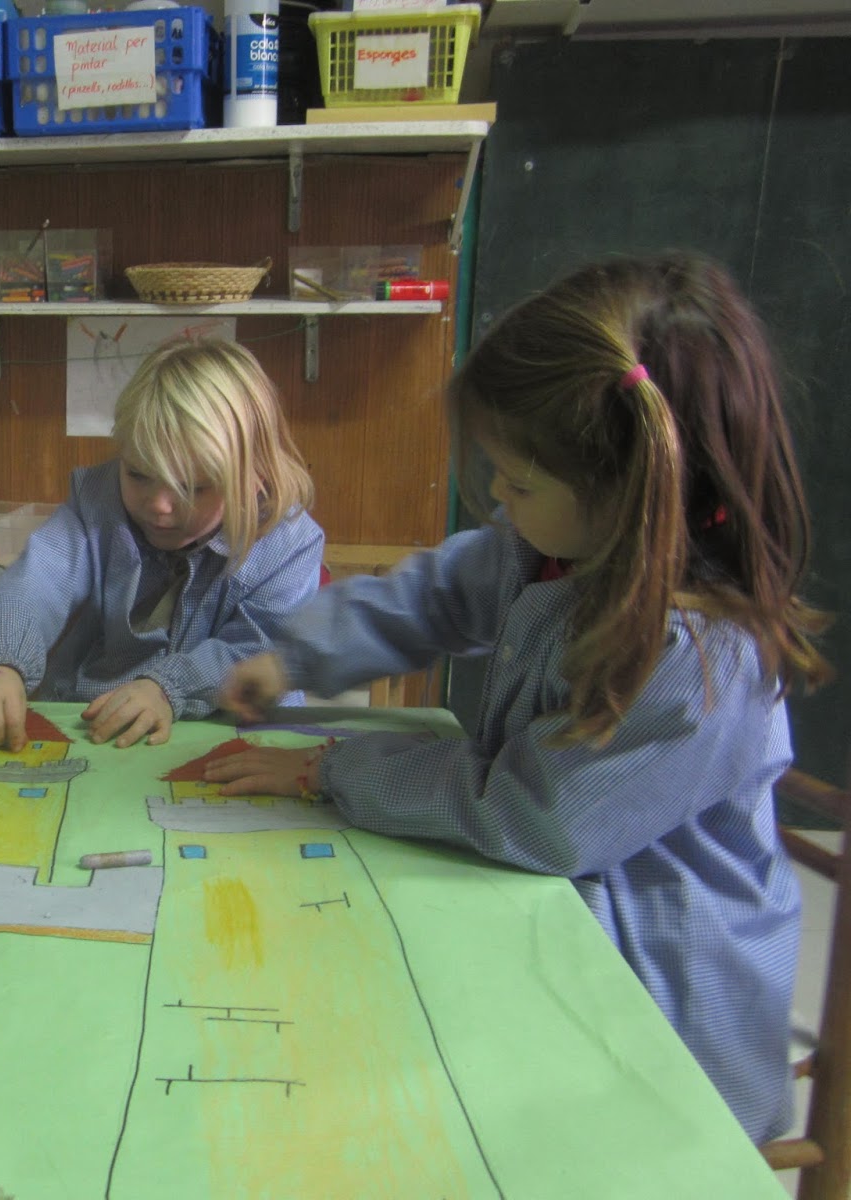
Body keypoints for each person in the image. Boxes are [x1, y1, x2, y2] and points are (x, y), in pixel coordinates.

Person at [209, 251, 832, 1144]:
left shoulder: (702, 659)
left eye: (521, 481)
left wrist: (332, 767)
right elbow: (434, 596)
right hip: (551, 930)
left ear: (631, 490)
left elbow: (532, 815)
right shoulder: (548, 544)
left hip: (664, 1024)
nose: (498, 496)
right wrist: (298, 654)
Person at [0, 337, 326, 752]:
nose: (159, 506)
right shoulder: (96, 500)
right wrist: (0, 662)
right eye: (137, 474)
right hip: (99, 720)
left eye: (193, 488)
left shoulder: (289, 541)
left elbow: (260, 649)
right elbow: (37, 584)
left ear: (253, 473)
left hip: (239, 733)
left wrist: (168, 687)